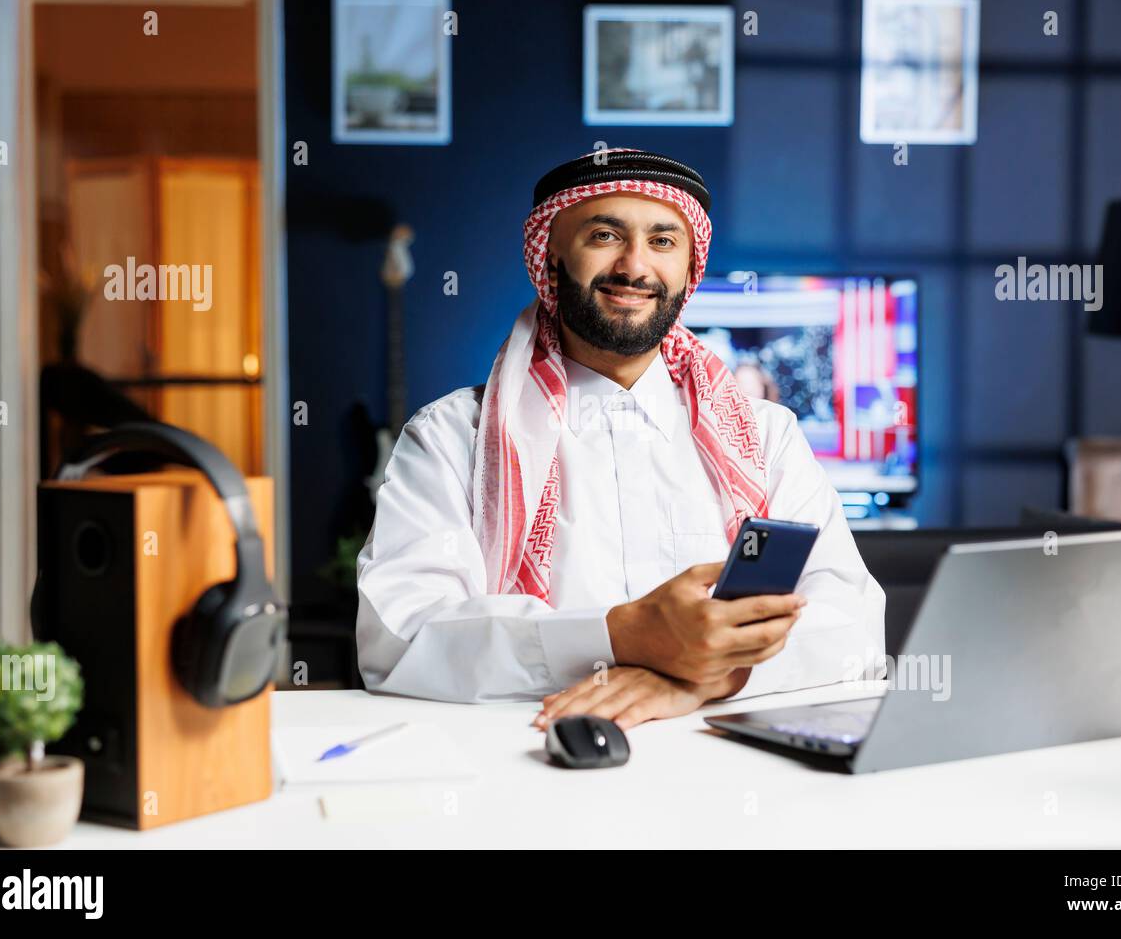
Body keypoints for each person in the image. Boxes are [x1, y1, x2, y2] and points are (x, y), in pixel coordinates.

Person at [356, 148, 885, 731]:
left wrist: (707, 676)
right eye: (605, 235)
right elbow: (400, 637)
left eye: (663, 241)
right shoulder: (453, 436)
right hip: (528, 768)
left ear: (690, 268)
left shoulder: (767, 438)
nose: (635, 267)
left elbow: (854, 624)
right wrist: (618, 637)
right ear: (552, 256)